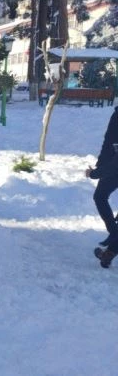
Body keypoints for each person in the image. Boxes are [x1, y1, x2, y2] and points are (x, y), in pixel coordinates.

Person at [87, 106, 118, 268]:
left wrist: (95, 173)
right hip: (111, 165)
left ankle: (114, 236)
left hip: (113, 168)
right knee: (100, 196)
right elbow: (109, 143)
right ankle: (109, 252)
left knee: (100, 196)